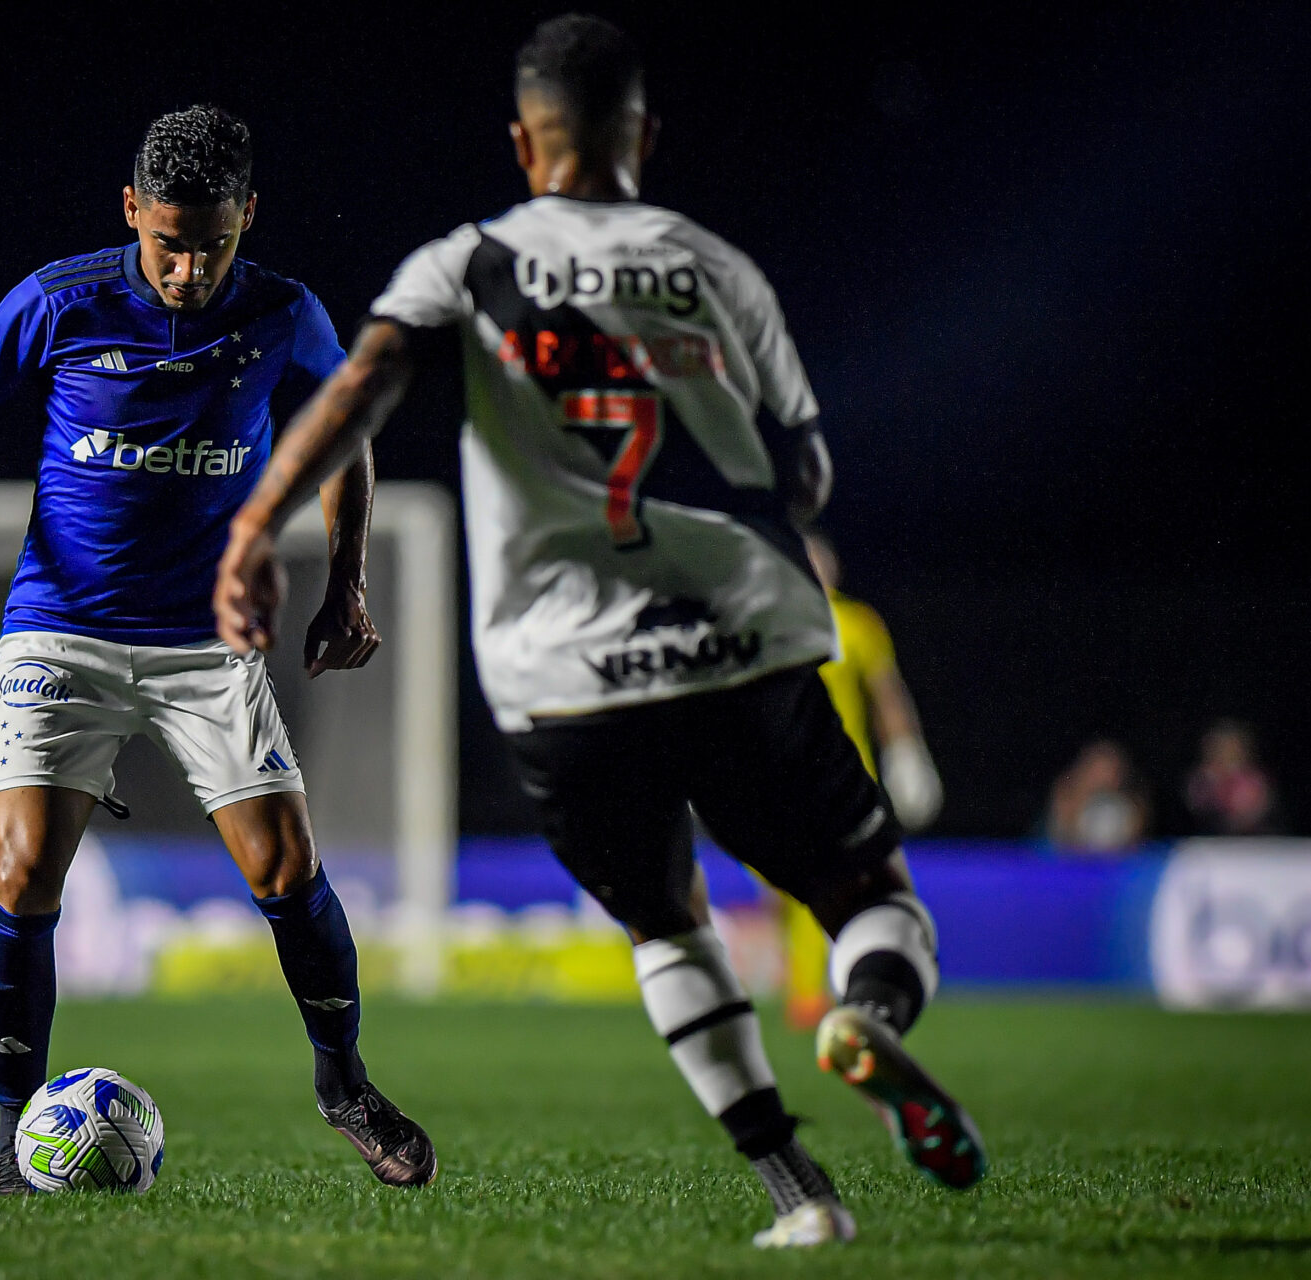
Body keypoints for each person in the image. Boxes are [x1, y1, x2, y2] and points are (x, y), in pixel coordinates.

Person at [214, 14, 984, 1248]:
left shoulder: (463, 263)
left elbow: (358, 387)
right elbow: (807, 478)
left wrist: (256, 527)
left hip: (561, 675)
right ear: (645, 135)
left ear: (525, 141)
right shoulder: (718, 266)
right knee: (870, 895)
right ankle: (873, 1018)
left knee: (664, 921)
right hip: (740, 644)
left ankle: (803, 1197)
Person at [0, 106, 436, 1195]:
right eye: (170, 241)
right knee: (22, 874)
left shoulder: (284, 312)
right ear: (131, 210)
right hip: (61, 627)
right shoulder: (60, 299)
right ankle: (15, 1135)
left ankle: (343, 1083)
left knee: (286, 868)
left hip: (205, 642)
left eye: (214, 243)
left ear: (251, 216)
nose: (191, 268)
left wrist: (349, 582)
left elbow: (346, 433)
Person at [778, 530, 943, 1028]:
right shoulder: (768, 623)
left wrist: (907, 753)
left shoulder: (855, 624)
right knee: (786, 890)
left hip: (845, 777)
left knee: (850, 881)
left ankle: (857, 983)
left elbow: (887, 692)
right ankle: (812, 985)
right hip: (778, 775)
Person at [1044, 739, 1149, 853]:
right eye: (1099, 770)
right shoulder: (1066, 793)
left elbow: (1134, 842)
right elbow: (1062, 840)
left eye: (1111, 771)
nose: (1104, 778)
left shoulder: (1132, 802)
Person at [1184, 719, 1280, 835]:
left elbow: (1259, 811)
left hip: (1252, 839)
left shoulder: (1254, 779)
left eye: (1231, 746)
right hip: (1208, 839)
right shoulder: (1202, 778)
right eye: (1220, 747)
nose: (1226, 751)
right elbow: (1196, 809)